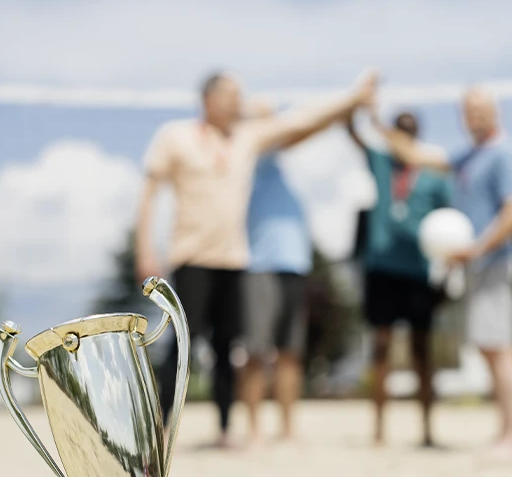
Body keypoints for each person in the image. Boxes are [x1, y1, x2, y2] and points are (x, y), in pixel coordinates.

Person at [136, 70, 377, 447]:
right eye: (232, 94)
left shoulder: (247, 139)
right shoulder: (175, 136)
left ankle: (225, 430)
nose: (239, 101)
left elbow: (303, 120)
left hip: (234, 259)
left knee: (226, 348)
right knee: (182, 344)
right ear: (209, 99)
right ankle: (161, 430)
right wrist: (145, 249)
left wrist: (352, 97)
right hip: (190, 257)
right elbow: (150, 192)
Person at [376, 87, 512, 456]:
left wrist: (476, 248)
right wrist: (374, 119)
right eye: (467, 111)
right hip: (476, 264)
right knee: (489, 347)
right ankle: (505, 431)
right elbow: (413, 153)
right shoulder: (470, 156)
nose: (473, 116)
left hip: (494, 261)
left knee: (501, 346)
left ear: (496, 112)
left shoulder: (505, 153)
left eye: (480, 109)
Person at [348, 111, 452, 446]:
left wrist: (449, 271)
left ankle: (427, 431)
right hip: (381, 268)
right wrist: (361, 105)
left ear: (417, 133)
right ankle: (379, 432)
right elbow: (353, 131)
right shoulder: (380, 160)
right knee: (380, 348)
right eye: (399, 129)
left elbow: (450, 224)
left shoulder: (434, 173)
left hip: (418, 271)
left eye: (409, 130)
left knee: (423, 351)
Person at [242, 101, 313, 443]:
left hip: (294, 266)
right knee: (256, 350)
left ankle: (288, 427)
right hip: (259, 266)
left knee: (290, 351)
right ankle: (254, 426)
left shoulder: (286, 168)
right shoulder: (256, 152)